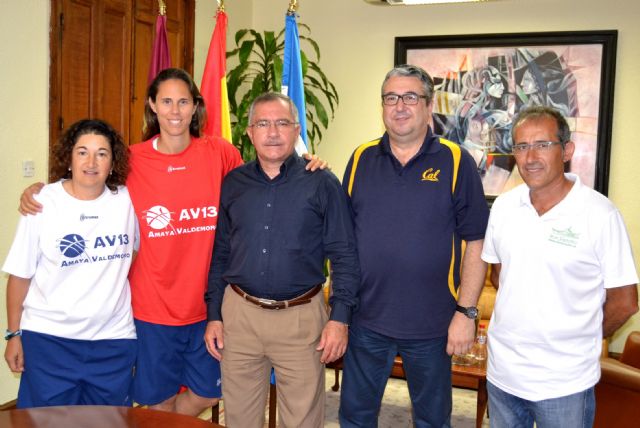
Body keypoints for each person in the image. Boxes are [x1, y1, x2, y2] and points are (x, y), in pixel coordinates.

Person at [18, 68, 326, 416]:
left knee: (209, 393)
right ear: (153, 105)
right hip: (153, 310)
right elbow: (88, 178)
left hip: (210, 308)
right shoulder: (132, 160)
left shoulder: (220, 152)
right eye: (166, 101)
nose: (175, 110)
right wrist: (40, 191)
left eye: (183, 101)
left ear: (196, 107)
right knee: (156, 400)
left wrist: (304, 165)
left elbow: (262, 181)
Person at [338, 64, 490, 427]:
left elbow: (476, 241)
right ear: (382, 106)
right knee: (355, 417)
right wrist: (340, 313)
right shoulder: (361, 159)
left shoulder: (456, 161)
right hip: (367, 320)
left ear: (427, 104)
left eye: (410, 97)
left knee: (433, 420)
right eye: (391, 98)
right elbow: (341, 239)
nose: (400, 106)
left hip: (433, 325)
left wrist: (466, 313)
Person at [204, 92, 360, 427]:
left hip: (301, 321)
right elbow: (220, 254)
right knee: (240, 419)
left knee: (302, 420)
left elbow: (345, 256)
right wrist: (214, 314)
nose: (272, 132)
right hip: (239, 318)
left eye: (282, 123)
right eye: (263, 123)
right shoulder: (233, 183)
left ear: (296, 129)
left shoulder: (322, 183)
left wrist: (340, 319)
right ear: (249, 132)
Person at [481, 106, 639, 427]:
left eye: (542, 145)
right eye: (521, 147)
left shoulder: (600, 214)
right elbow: (500, 275)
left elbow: (625, 302)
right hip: (503, 374)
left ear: (567, 150)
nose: (530, 157)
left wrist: (583, 339)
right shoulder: (504, 207)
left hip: (565, 381)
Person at [3, 119, 137, 408]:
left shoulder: (127, 201)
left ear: (113, 162)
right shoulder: (41, 203)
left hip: (113, 341)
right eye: (82, 152)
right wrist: (13, 335)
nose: (92, 162)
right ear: (69, 158)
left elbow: (136, 254)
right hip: (49, 342)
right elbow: (20, 276)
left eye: (102, 153)